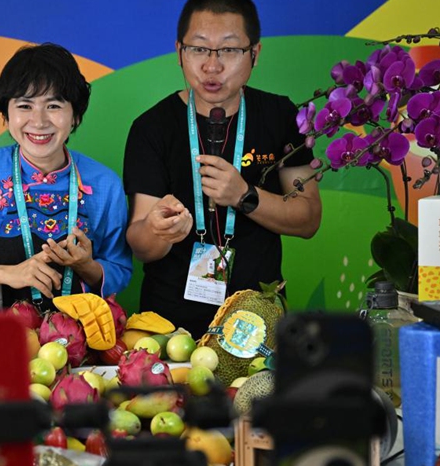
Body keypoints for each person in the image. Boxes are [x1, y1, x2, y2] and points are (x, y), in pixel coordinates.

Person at [123, 0, 321, 338]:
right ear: (179, 51)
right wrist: (159, 229)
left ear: (254, 54)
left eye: (229, 50)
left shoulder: (282, 115)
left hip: (258, 320)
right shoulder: (151, 128)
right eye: (199, 48)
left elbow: (309, 218)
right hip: (170, 325)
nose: (211, 67)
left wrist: (245, 196)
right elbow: (140, 244)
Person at [0, 43, 132, 309]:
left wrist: (87, 266)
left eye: (53, 105)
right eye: (25, 106)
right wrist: (8, 273)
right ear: (6, 114)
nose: (38, 122)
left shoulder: (104, 183)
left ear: (75, 114)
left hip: (80, 340)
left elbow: (120, 270)